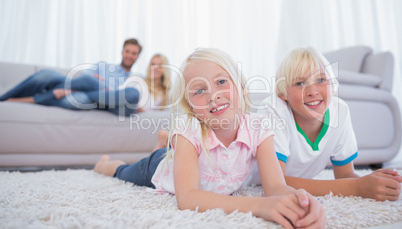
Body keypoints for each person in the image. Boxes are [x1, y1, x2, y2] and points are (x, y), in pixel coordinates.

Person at [94, 48, 326, 228]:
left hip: (187, 159)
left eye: (222, 82)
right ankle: (108, 163)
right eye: (199, 90)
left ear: (242, 88)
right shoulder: (189, 127)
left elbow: (275, 186)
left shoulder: (259, 127)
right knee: (124, 172)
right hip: (158, 168)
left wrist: (301, 202)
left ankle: (163, 144)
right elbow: (187, 198)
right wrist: (258, 206)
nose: (213, 95)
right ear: (191, 107)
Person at [246, 47, 401, 201]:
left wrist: (371, 183)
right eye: (300, 83)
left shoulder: (339, 110)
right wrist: (356, 187)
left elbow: (345, 175)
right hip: (247, 181)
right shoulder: (273, 110)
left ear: (332, 84)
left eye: (320, 80)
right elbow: (277, 183)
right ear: (282, 94)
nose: (312, 91)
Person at [0, 38, 143, 116]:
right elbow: (82, 79)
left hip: (105, 102)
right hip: (80, 89)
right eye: (127, 51)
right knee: (46, 75)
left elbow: (130, 99)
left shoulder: (135, 78)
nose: (129, 55)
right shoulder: (103, 65)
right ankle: (4, 98)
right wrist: (73, 89)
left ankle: (64, 92)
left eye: (134, 53)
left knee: (81, 98)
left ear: (138, 56)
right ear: (122, 51)